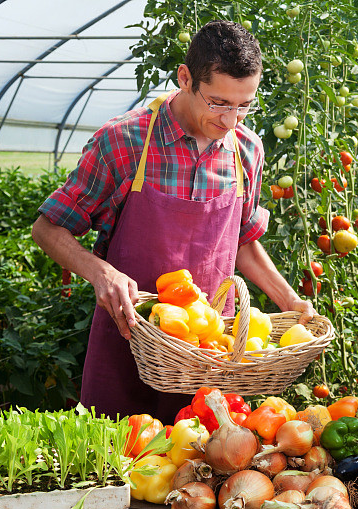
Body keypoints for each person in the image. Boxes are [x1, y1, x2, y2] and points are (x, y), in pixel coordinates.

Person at [32, 20, 314, 423]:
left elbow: (243, 242)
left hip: (211, 354)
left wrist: (290, 302)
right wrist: (101, 273)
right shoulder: (123, 141)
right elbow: (47, 228)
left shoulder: (247, 150)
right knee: (118, 468)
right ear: (185, 78)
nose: (231, 120)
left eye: (244, 105)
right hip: (130, 342)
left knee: (199, 472)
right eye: (218, 102)